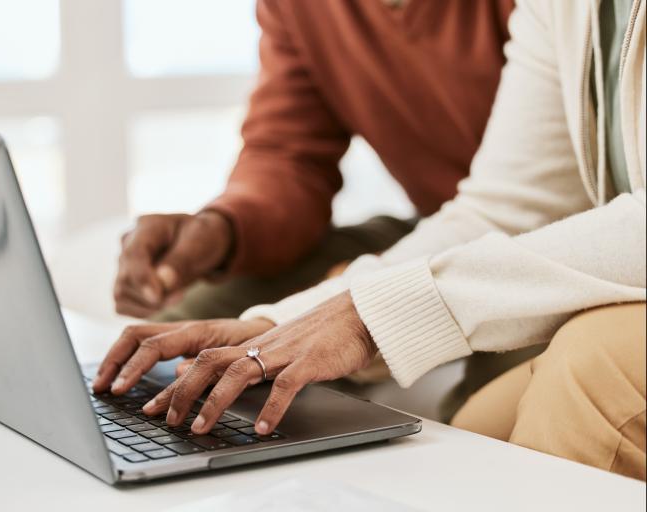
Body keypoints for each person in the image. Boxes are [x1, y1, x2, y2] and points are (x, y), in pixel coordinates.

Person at [95, 0, 647, 480]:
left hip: (584, 250)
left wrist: (377, 313)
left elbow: (552, 217)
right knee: (471, 443)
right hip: (475, 226)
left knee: (583, 365)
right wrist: (282, 319)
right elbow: (508, 203)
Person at [114, 0, 527, 421]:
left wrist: (364, 289)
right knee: (196, 322)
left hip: (544, 233)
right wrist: (222, 228)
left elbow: (536, 196)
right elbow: (288, 152)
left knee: (502, 398)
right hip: (440, 223)